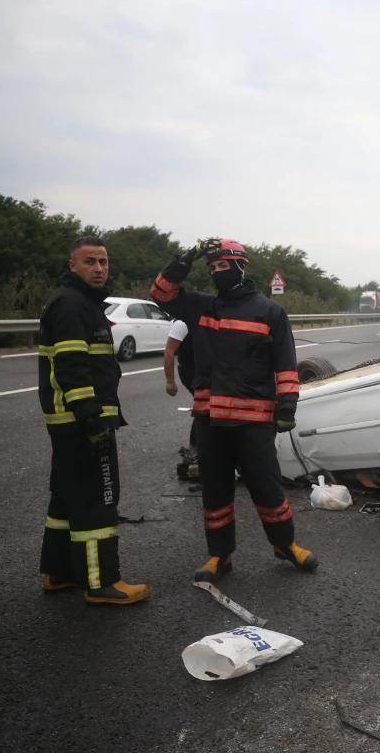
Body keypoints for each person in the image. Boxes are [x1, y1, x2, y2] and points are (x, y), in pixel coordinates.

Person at [150, 237, 317, 581]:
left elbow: (285, 365)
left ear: (242, 266)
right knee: (215, 490)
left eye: (222, 266)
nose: (216, 273)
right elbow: (161, 294)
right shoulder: (201, 306)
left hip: (254, 421)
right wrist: (187, 259)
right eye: (211, 268)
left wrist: (287, 406)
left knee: (267, 487)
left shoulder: (270, 311)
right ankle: (219, 556)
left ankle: (285, 545)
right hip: (210, 419)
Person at [38, 236, 149, 605]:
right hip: (81, 422)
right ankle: (102, 582)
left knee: (67, 497)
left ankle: (61, 572)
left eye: (103, 261)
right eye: (90, 261)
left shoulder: (80, 302)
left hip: (69, 421)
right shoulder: (72, 306)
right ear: (73, 266)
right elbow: (72, 369)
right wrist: (92, 422)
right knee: (97, 499)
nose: (99, 268)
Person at [164, 319, 199, 478]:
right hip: (191, 372)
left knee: (206, 406)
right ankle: (195, 449)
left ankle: (199, 446)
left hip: (204, 370)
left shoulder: (203, 318)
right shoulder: (181, 324)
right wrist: (170, 382)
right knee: (204, 406)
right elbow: (169, 352)